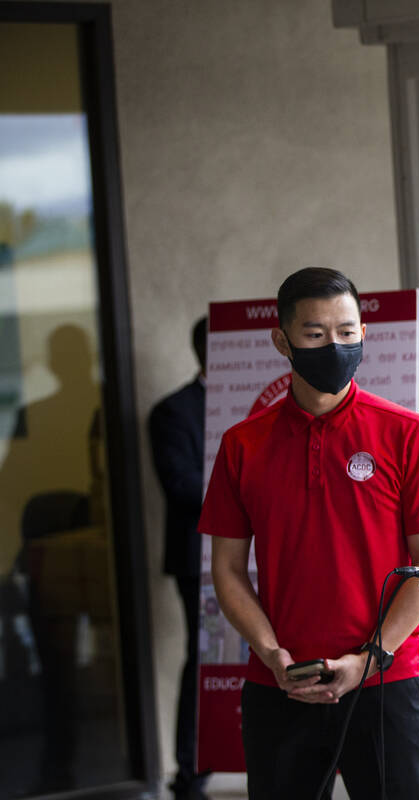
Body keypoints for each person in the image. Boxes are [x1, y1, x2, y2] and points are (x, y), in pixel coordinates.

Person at [198, 267, 419, 799]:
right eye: (315, 335)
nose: (333, 345)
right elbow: (225, 569)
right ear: (282, 341)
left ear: (364, 333)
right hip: (280, 685)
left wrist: (368, 658)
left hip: (387, 682)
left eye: (346, 332)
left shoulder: (411, 434)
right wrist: (272, 654)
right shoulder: (242, 445)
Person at [148, 317, 210, 799]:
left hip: (266, 555)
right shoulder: (173, 411)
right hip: (199, 558)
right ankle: (191, 775)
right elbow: (182, 487)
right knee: (205, 661)